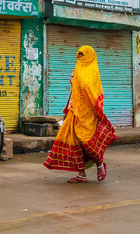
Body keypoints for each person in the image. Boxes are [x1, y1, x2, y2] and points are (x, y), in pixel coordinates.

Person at [44, 45, 117, 183]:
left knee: (87, 142)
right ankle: (81, 174)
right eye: (79, 54)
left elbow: (94, 93)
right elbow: (74, 90)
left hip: (88, 113)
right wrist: (68, 108)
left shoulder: (93, 72)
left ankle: (100, 164)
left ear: (89, 56)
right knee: (74, 141)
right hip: (74, 111)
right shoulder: (76, 69)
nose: (80, 57)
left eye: (83, 55)